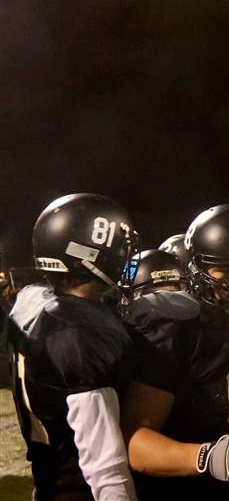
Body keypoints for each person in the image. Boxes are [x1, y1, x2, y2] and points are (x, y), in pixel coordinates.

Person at [120, 205, 229, 500]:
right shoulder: (175, 325)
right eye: (227, 269)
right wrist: (208, 456)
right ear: (195, 269)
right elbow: (135, 442)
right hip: (192, 488)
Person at [7, 193, 143, 500]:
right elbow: (104, 464)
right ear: (89, 253)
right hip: (83, 489)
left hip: (48, 482)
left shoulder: (32, 304)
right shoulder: (80, 328)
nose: (125, 257)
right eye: (119, 247)